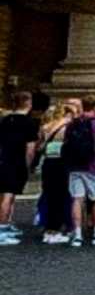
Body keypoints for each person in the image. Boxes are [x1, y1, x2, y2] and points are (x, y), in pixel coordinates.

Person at [64, 95, 95, 248]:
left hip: (75, 166)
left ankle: (77, 234)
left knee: (77, 199)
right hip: (93, 166)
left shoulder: (73, 124)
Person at [0, 91, 41, 245]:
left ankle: (5, 225)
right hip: (17, 161)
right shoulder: (28, 123)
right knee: (8, 195)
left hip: (4, 159)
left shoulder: (5, 120)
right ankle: (1, 229)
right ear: (28, 103)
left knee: (6, 195)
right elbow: (30, 148)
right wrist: (28, 165)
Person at [37, 99, 77, 244]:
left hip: (48, 162)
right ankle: (55, 230)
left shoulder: (46, 126)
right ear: (67, 114)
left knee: (49, 195)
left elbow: (39, 146)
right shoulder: (67, 127)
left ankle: (48, 229)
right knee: (60, 197)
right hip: (61, 162)